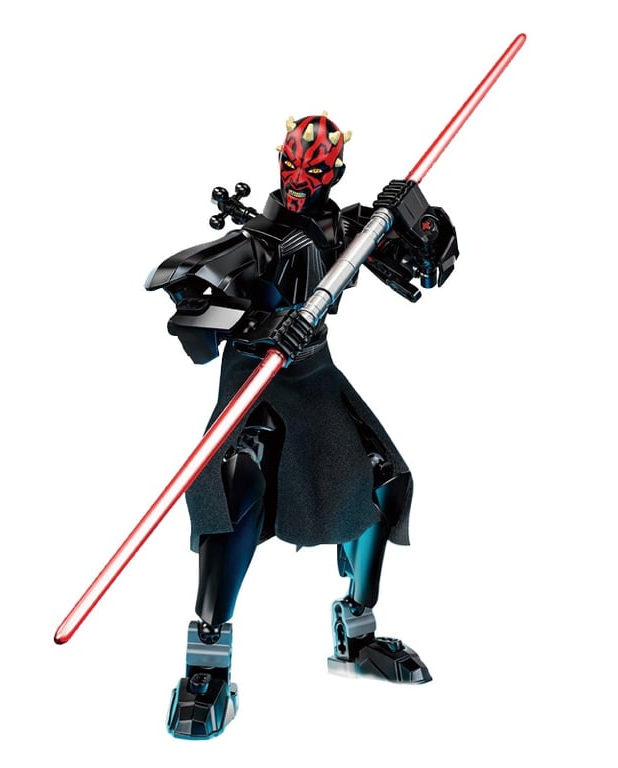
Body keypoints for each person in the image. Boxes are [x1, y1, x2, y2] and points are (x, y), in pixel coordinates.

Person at [145, 113, 458, 738]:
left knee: (383, 480)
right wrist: (258, 318)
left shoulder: (349, 230)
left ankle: (356, 632)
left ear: (333, 173)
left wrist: (415, 214)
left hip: (312, 371)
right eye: (290, 165)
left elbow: (429, 269)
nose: (297, 180)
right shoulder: (256, 240)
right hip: (255, 373)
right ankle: (207, 661)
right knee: (236, 483)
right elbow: (188, 312)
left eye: (312, 171)